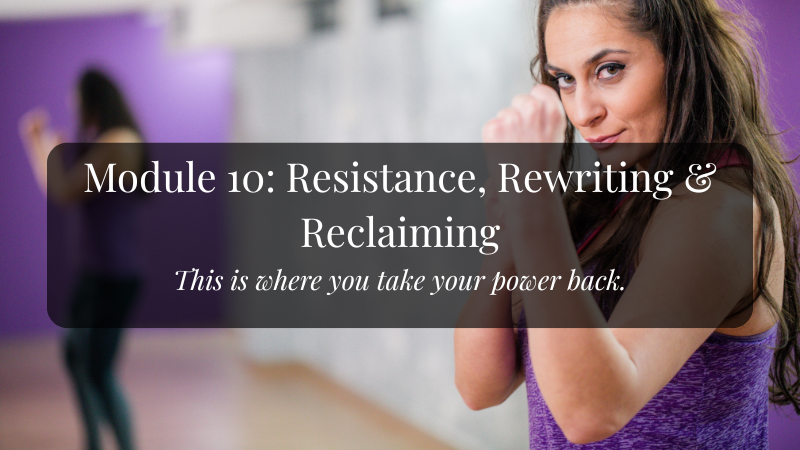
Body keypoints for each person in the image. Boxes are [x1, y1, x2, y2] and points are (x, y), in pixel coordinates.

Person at [454, 0, 800, 448]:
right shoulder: (606, 201)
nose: (582, 112)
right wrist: (508, 227)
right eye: (565, 79)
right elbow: (480, 386)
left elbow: (592, 413)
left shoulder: (719, 206)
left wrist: (533, 204)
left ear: (681, 58)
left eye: (609, 69)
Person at [20, 68, 146, 450]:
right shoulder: (103, 143)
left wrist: (37, 143)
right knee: (75, 358)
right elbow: (58, 188)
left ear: (95, 101)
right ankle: (91, 440)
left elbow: (63, 190)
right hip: (93, 273)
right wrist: (40, 144)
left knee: (98, 371)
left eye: (79, 104)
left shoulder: (121, 141)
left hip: (115, 276)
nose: (77, 112)